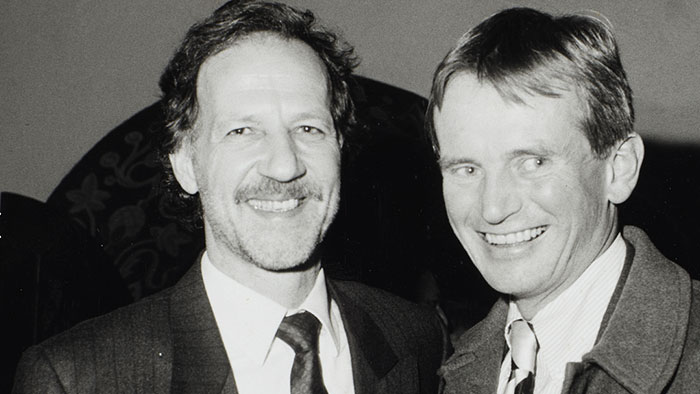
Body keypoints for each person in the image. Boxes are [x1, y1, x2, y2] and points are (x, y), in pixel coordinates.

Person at [12, 1, 446, 393]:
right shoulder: (77, 378)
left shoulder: (419, 338)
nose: (284, 165)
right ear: (185, 164)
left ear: (340, 148)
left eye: (309, 128)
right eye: (242, 131)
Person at [426, 7, 700, 394]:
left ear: (618, 170)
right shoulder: (455, 369)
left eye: (532, 162)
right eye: (466, 169)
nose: (492, 208)